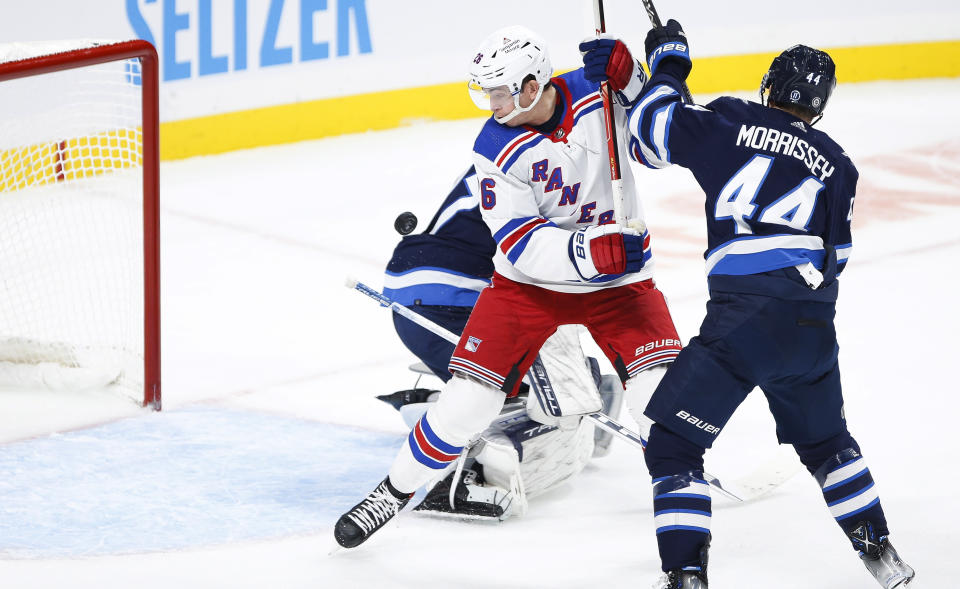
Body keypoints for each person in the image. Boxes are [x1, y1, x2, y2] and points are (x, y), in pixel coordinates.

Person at [334, 25, 682, 549]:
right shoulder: (494, 146)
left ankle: (681, 515)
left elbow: (663, 149)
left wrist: (636, 80)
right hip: (528, 287)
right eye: (487, 92)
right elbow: (522, 244)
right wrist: (590, 251)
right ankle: (393, 489)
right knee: (468, 401)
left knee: (663, 400)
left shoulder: (595, 91)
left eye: (501, 91)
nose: (493, 103)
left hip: (621, 285)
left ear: (533, 83)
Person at [621, 20, 916, 589]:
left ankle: (686, 574)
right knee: (828, 442)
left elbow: (649, 135)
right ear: (820, 107)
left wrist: (668, 66)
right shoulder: (841, 166)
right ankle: (882, 553)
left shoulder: (733, 121)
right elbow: (840, 255)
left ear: (769, 85)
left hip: (743, 319)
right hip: (811, 326)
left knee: (675, 444)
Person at [378, 165, 626, 520]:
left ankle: (442, 405)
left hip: (418, 298)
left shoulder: (513, 150)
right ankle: (469, 473)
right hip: (453, 302)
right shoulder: (556, 165)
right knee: (563, 391)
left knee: (542, 381)